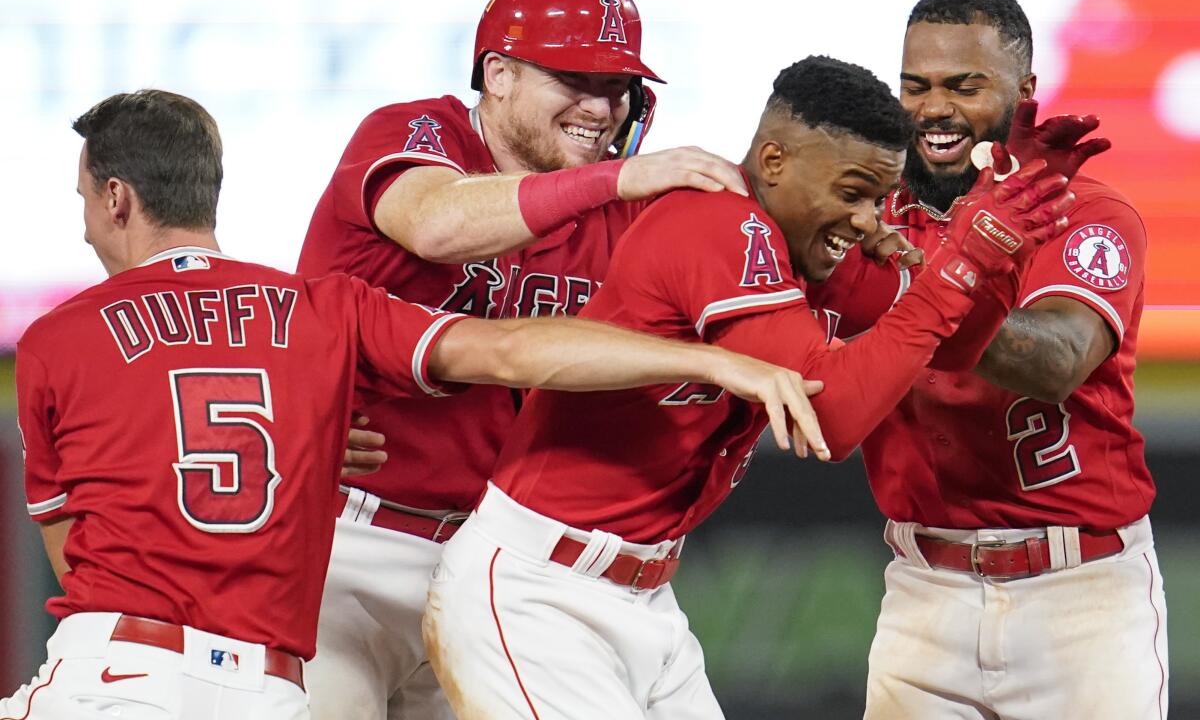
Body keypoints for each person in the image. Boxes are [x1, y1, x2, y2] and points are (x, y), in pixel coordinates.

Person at [3, 89, 828, 720]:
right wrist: (714, 362)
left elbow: (76, 550)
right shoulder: (320, 310)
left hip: (120, 674)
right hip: (265, 685)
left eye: (82, 202)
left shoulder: (55, 338)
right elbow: (506, 346)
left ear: (116, 198)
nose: (82, 227)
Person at [420, 55, 1078, 720]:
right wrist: (959, 266)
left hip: (644, 596)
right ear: (773, 162)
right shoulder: (718, 222)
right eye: (850, 192)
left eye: (878, 198)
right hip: (541, 594)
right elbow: (832, 417)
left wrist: (1007, 228)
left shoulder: (823, 249)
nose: (865, 219)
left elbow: (960, 340)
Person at [294, 0, 750, 720]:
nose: (601, 107)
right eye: (574, 77)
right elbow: (436, 223)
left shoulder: (627, 211)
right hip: (349, 542)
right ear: (497, 75)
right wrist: (618, 180)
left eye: (618, 85)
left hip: (497, 564)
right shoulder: (417, 131)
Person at [809, 0, 1166, 719]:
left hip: (1080, 596)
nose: (933, 108)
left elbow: (1056, 362)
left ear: (1025, 89)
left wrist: (936, 284)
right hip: (922, 588)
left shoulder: (1086, 214)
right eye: (915, 86)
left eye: (963, 86)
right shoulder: (868, 219)